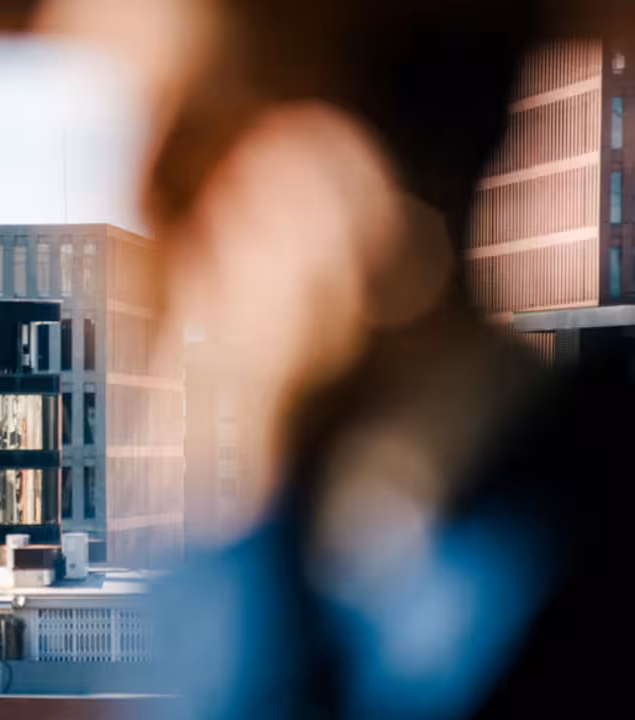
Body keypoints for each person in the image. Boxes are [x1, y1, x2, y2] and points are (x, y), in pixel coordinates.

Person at [37, 0, 630, 718]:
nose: (114, 217)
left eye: (178, 167)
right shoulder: (362, 482)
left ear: (334, 178)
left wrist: (237, 446)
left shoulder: (535, 531)